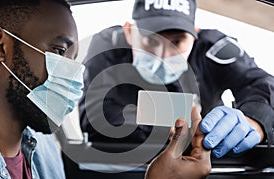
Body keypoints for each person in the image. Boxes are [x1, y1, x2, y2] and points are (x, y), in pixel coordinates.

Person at [0, 0, 211, 179]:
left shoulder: (42, 146)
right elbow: (102, 116)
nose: (73, 72)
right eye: (59, 51)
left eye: (73, 57)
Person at [79, 0, 274, 158]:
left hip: (204, 158)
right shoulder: (108, 45)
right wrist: (168, 124)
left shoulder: (214, 48)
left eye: (177, 42)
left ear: (195, 34)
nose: (163, 54)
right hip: (125, 161)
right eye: (151, 40)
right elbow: (93, 115)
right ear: (129, 32)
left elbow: (261, 84)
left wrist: (254, 120)